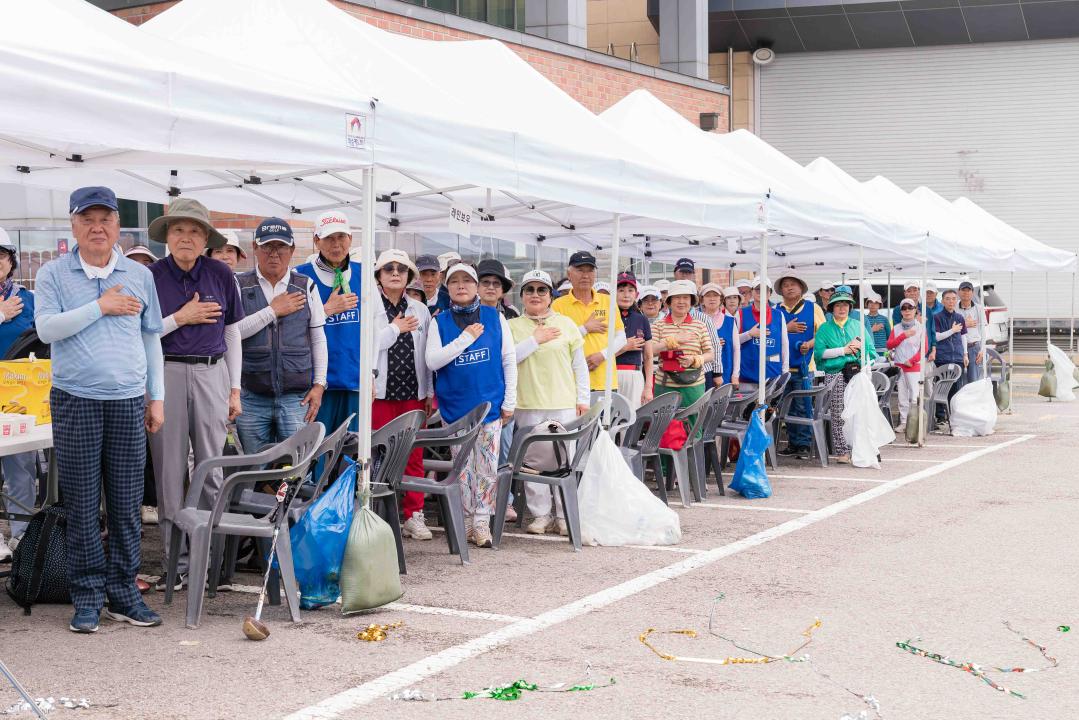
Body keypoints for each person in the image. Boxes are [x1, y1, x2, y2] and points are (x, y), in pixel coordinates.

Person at [35, 186, 165, 632]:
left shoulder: (138, 274)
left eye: (105, 219)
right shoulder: (54, 273)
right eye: (87, 219)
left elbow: (152, 338)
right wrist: (100, 306)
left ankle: (124, 592)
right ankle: (87, 595)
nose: (97, 227)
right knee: (84, 503)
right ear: (73, 225)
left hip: (129, 401)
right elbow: (48, 329)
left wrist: (157, 396)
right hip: (75, 400)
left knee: (128, 504)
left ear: (117, 226)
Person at [147, 199, 244, 592]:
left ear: (206, 238)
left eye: (194, 231)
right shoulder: (151, 275)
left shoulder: (220, 273)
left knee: (212, 471)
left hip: (211, 372)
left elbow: (232, 332)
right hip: (166, 371)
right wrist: (180, 318)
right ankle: (176, 566)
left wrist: (234, 388)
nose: (186, 237)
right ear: (168, 236)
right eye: (179, 230)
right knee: (169, 472)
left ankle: (209, 564)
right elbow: (144, 334)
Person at [425, 263, 516, 548]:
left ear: (476, 286)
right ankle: (464, 521)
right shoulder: (438, 322)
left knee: (487, 466)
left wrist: (510, 400)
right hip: (455, 410)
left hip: (489, 406)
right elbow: (433, 361)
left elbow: (508, 359)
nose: (461, 285)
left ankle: (481, 523)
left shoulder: (495, 317)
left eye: (467, 280)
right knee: (461, 466)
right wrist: (465, 339)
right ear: (447, 288)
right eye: (454, 282)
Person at [235, 218, 327, 452]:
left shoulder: (306, 286)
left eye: (281, 247)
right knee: (252, 470)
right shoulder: (239, 284)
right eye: (267, 246)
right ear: (254, 248)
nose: (274, 254)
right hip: (251, 396)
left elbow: (318, 339)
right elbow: (233, 333)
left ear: (292, 250)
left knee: (297, 471)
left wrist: (319, 385)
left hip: (297, 397)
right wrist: (272, 311)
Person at [508, 270, 589, 536]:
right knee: (533, 462)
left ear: (550, 295)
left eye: (541, 290)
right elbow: (508, 359)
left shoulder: (566, 324)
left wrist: (583, 399)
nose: (535, 295)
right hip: (527, 403)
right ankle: (541, 514)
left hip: (563, 402)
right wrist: (535, 340)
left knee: (564, 460)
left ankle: (564, 514)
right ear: (521, 296)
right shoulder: (512, 326)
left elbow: (580, 366)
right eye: (529, 290)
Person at [372, 249, 434, 541]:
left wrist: (429, 391)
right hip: (379, 393)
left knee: (413, 456)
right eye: (389, 269)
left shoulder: (419, 309)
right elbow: (370, 345)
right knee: (375, 453)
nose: (395, 273)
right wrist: (395, 329)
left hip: (412, 392)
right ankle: (373, 512)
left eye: (401, 269)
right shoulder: (371, 305)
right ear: (379, 275)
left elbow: (426, 354)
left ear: (409, 276)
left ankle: (414, 514)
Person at [295, 211, 360, 433]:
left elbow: (375, 330)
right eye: (329, 238)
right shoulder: (300, 276)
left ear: (350, 239)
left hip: (354, 381)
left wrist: (371, 374)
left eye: (341, 237)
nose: (336, 244)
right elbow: (290, 328)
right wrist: (326, 310)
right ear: (316, 241)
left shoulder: (363, 274)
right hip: (316, 384)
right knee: (317, 452)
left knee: (351, 454)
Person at [0, 228, 36, 563]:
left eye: (1, 255)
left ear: (11, 260)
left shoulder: (30, 300)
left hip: (19, 397)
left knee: (21, 468)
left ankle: (22, 535)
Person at [813, 289, 877, 464]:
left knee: (859, 411)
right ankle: (842, 450)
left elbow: (871, 352)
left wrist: (863, 359)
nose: (842, 308)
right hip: (834, 374)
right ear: (832, 308)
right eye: (838, 305)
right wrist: (844, 350)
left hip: (857, 374)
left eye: (845, 305)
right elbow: (819, 354)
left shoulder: (858, 324)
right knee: (838, 413)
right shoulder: (825, 328)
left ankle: (860, 446)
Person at [551, 251, 626, 392]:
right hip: (571, 382)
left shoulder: (608, 301)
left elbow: (621, 339)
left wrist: (602, 355)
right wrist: (584, 329)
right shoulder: (558, 305)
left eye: (590, 271)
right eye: (580, 270)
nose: (585, 276)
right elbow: (556, 342)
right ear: (569, 274)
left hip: (605, 381)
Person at [650, 280, 713, 421]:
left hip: (694, 384)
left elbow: (710, 354)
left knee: (694, 424)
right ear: (669, 302)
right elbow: (651, 351)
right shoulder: (658, 325)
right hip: (665, 384)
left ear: (691, 302)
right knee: (663, 423)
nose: (681, 301)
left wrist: (695, 360)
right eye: (677, 297)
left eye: (685, 298)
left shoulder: (700, 325)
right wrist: (674, 340)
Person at [775, 272, 823, 458]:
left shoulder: (813, 308)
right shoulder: (775, 309)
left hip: (805, 367)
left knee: (803, 406)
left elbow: (823, 333)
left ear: (801, 288)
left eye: (793, 284)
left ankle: (803, 444)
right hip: (781, 368)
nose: (789, 287)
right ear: (781, 290)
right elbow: (768, 333)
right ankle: (792, 442)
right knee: (785, 408)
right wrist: (786, 329)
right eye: (785, 284)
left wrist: (809, 344)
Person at [668, 258, 722, 388]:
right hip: (671, 373)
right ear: (675, 273)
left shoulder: (703, 318)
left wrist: (717, 373)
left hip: (703, 371)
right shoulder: (665, 318)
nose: (685, 276)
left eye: (688, 273)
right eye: (682, 272)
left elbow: (715, 345)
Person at [739, 278, 788, 394]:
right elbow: (734, 342)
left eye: (765, 290)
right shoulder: (741, 313)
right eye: (757, 289)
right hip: (747, 376)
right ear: (752, 292)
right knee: (746, 411)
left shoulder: (778, 315)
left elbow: (784, 345)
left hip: (772, 375)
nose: (761, 293)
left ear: (770, 293)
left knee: (769, 411)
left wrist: (785, 371)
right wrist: (749, 334)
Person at [613, 271, 652, 409]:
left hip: (635, 376)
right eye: (621, 290)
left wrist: (648, 387)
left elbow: (648, 356)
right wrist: (625, 346)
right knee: (610, 420)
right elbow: (601, 354)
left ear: (636, 294)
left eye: (630, 290)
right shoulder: (608, 317)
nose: (626, 294)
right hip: (610, 374)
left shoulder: (641, 319)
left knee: (631, 419)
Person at [886, 298, 927, 430]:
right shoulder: (897, 328)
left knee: (914, 396)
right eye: (904, 308)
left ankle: (914, 423)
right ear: (901, 311)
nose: (907, 310)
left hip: (913, 367)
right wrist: (903, 335)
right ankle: (904, 422)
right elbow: (889, 344)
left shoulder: (920, 328)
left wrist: (912, 360)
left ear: (915, 310)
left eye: (910, 308)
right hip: (899, 366)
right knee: (902, 396)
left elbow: (924, 348)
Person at [932, 289, 969, 425]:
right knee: (942, 387)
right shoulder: (937, 317)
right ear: (942, 301)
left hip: (958, 357)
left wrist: (965, 354)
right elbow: (936, 336)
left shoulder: (959, 317)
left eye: (954, 299)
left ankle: (953, 415)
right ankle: (941, 416)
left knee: (955, 388)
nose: (951, 301)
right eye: (948, 298)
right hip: (943, 357)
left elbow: (964, 336)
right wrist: (952, 331)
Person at [956, 280, 985, 382]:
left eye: (968, 290)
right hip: (958, 348)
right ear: (959, 292)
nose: (966, 293)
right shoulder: (954, 307)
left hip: (974, 348)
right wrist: (965, 324)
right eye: (963, 290)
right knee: (959, 381)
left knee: (973, 380)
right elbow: (952, 328)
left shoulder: (979, 308)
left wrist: (982, 350)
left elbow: (983, 330)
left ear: (972, 292)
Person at [716, 286, 742, 386]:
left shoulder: (742, 314)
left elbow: (736, 346)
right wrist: (749, 334)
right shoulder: (720, 317)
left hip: (736, 363)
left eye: (735, 297)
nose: (732, 301)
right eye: (729, 298)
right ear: (724, 301)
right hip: (724, 362)